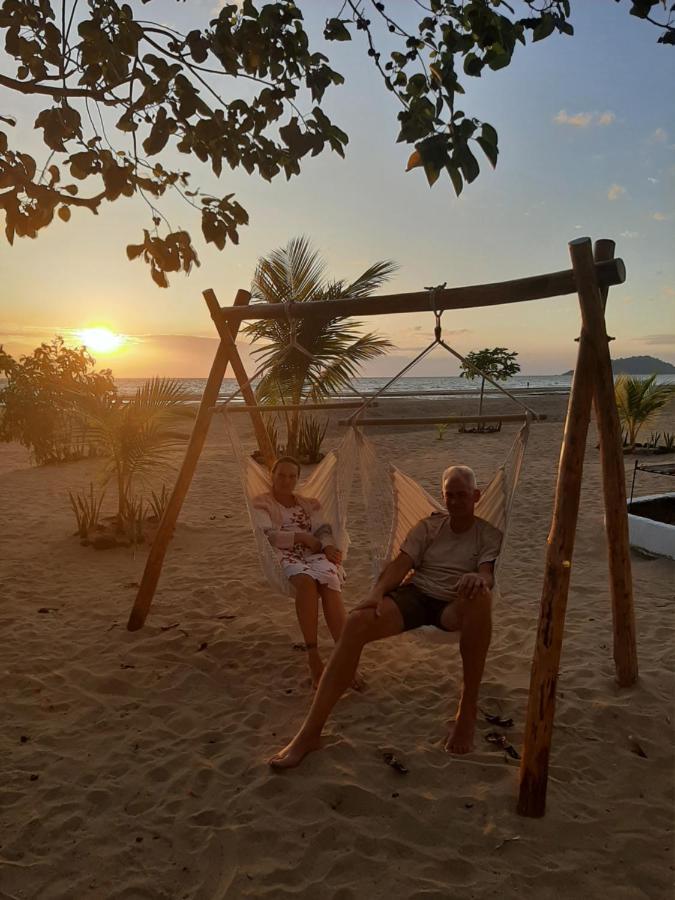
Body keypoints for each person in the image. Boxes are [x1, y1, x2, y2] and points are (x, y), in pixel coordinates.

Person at [269, 464, 501, 768]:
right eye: (450, 495)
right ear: (443, 497)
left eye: (462, 495)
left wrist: (479, 580)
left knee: (481, 600)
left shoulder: (488, 533)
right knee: (356, 621)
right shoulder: (428, 527)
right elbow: (400, 564)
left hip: (456, 603)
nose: (456, 501)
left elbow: (487, 573)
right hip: (417, 595)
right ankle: (310, 733)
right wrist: (376, 593)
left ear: (477, 496)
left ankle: (467, 709)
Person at [253, 456, 352, 688]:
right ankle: (313, 657)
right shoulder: (262, 503)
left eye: (292, 476)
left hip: (315, 552)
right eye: (281, 475)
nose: (286, 480)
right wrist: (301, 537)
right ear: (272, 476)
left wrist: (327, 545)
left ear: (297, 478)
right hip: (285, 553)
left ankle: (344, 658)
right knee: (307, 583)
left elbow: (323, 529)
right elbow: (269, 536)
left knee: (329, 582)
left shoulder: (309, 503)